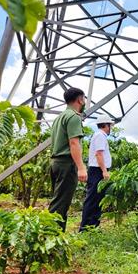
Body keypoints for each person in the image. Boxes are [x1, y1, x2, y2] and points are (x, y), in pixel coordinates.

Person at [49, 87, 87, 231]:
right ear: (79, 99)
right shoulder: (73, 117)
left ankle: (53, 236)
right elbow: (74, 143)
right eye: (83, 98)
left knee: (57, 201)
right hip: (66, 164)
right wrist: (81, 167)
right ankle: (52, 238)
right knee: (60, 205)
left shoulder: (60, 117)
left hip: (55, 162)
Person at [79, 115, 115, 232]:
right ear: (106, 125)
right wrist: (104, 171)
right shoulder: (100, 135)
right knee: (93, 199)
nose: (110, 128)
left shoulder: (99, 136)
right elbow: (99, 154)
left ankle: (93, 226)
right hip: (97, 171)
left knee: (97, 198)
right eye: (110, 126)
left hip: (97, 170)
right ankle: (86, 227)